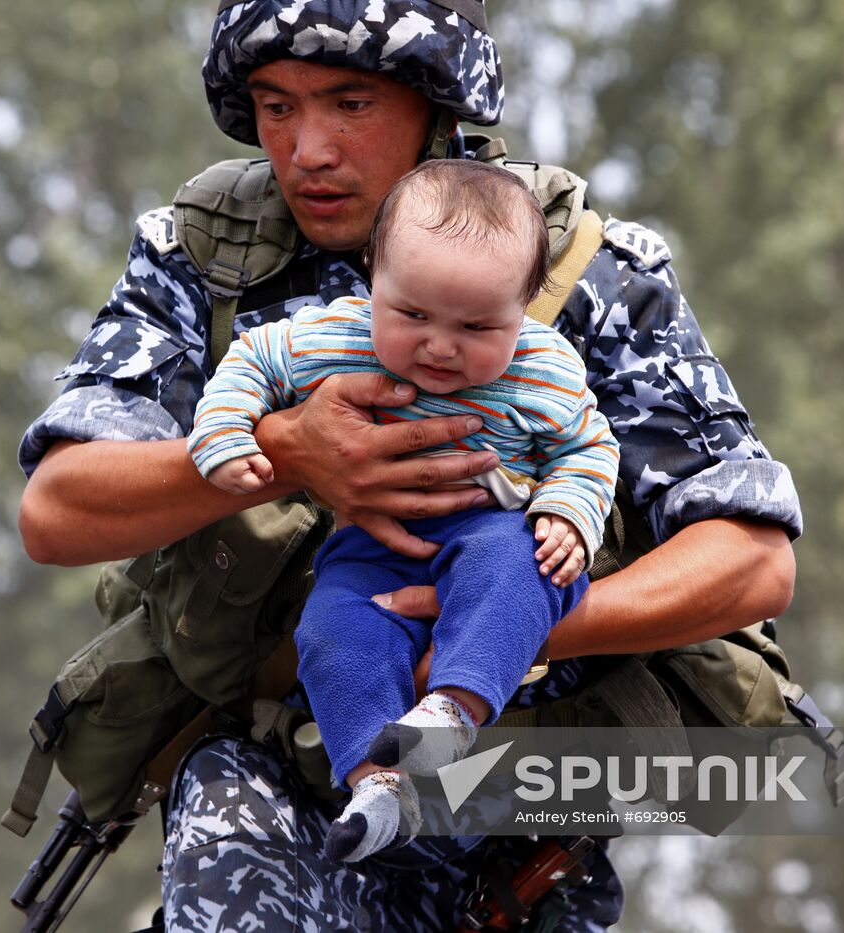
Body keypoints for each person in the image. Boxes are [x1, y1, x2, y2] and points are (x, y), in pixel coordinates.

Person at [18, 1, 802, 929]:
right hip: (282, 779)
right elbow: (56, 511)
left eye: (349, 103)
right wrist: (284, 452)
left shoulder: (580, 272)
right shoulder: (204, 254)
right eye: (276, 106)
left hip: (516, 812)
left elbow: (755, 558)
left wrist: (521, 621)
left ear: (437, 104)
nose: (306, 148)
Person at [188, 159, 619, 862]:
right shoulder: (336, 336)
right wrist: (227, 430)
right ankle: (375, 785)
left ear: (525, 305)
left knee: (520, 567)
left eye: (479, 325)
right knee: (330, 633)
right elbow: (252, 359)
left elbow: (589, 447)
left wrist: (570, 513)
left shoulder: (546, 367)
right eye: (412, 314)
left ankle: (451, 713)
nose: (441, 345)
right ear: (372, 277)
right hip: (370, 547)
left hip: (494, 526)